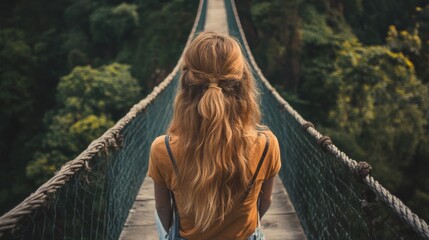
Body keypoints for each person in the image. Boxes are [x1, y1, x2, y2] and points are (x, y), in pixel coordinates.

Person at [147, 31, 281, 240]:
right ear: (242, 82)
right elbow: (265, 201)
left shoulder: (162, 149)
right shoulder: (267, 145)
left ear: (186, 83)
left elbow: (163, 208)